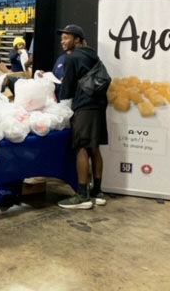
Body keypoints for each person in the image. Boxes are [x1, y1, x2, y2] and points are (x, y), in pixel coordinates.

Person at [56, 24, 108, 210]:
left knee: (81, 147)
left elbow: (67, 89)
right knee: (95, 147)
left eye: (66, 37)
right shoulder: (92, 54)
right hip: (99, 105)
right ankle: (98, 192)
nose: (63, 41)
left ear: (77, 39)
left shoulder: (72, 58)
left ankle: (82, 195)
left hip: (84, 107)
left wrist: (60, 92)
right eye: (62, 38)